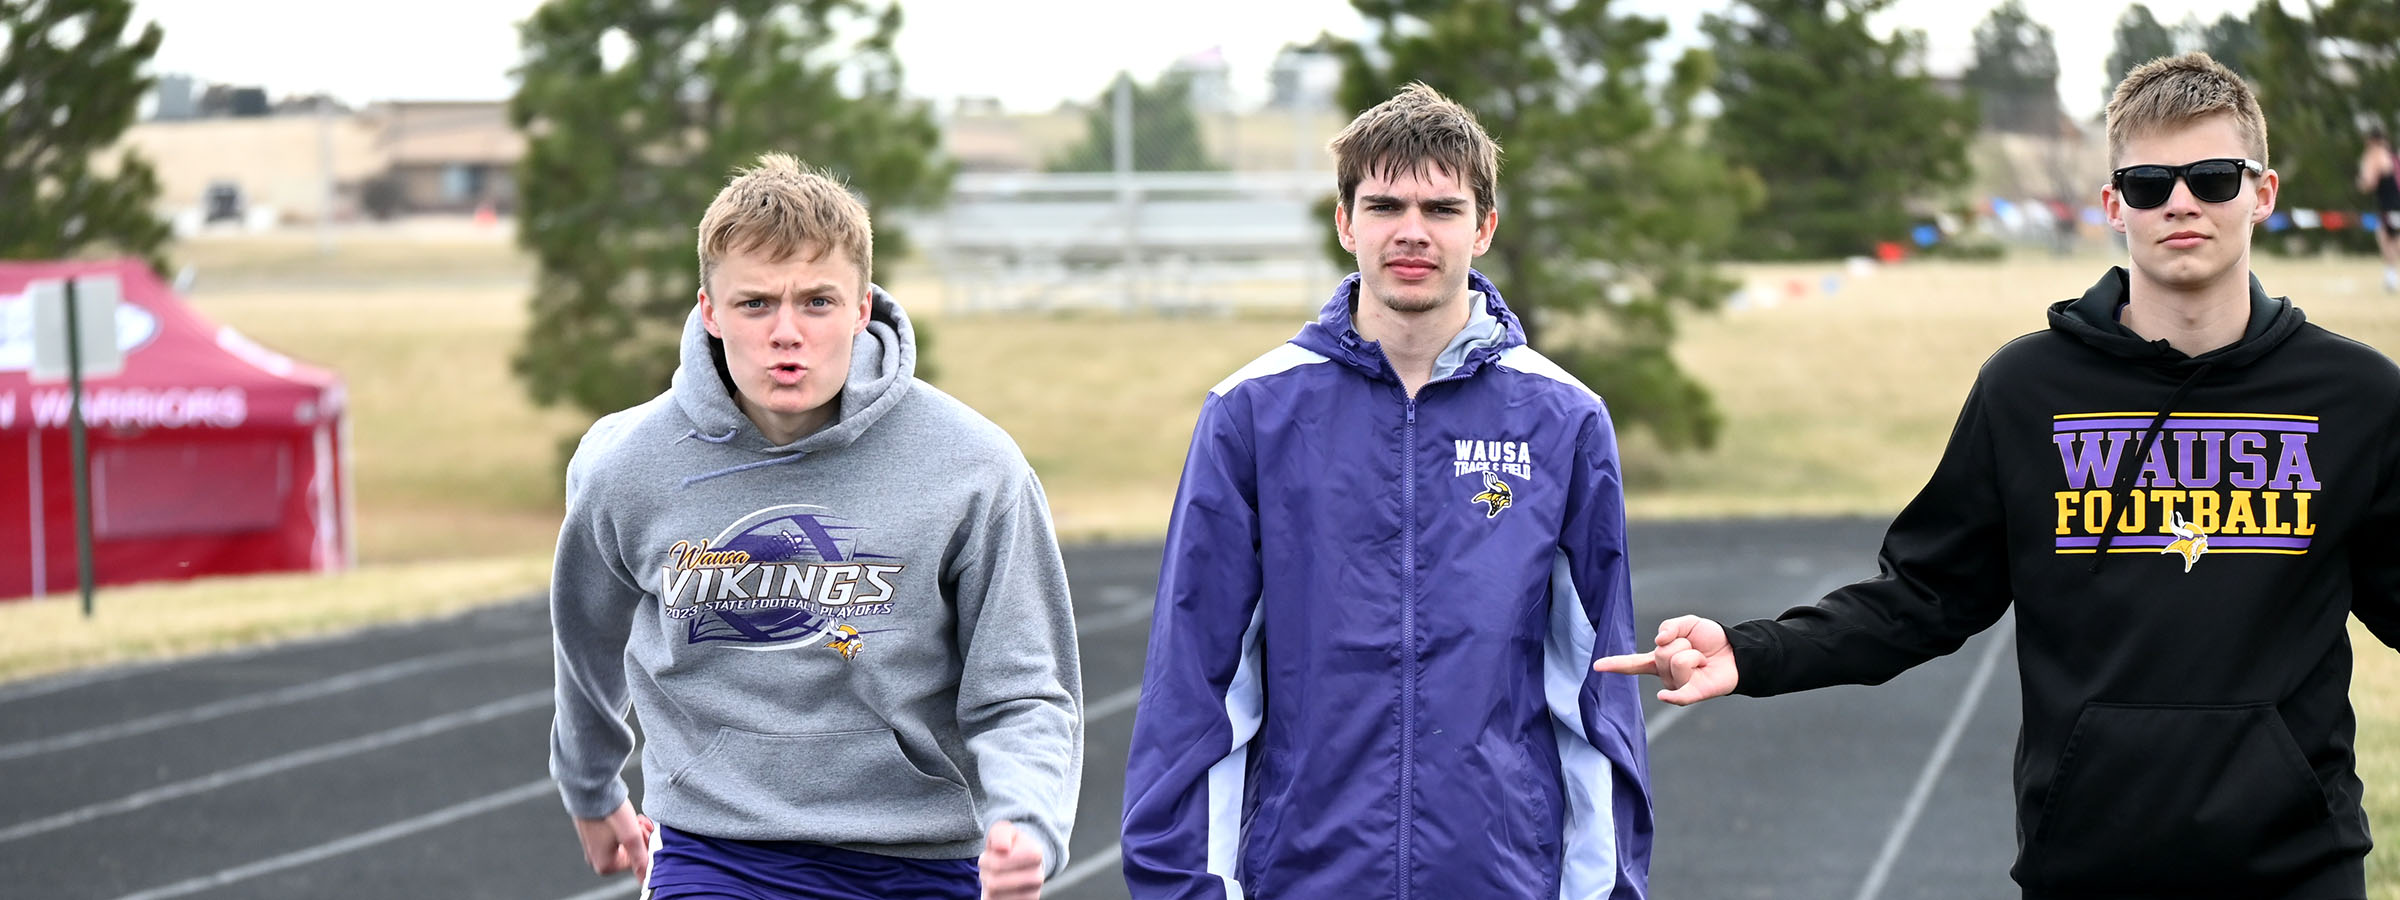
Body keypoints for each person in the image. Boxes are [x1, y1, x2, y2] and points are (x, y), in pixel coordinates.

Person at [1597, 52, 2400, 899]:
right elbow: (1922, 598)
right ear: (2111, 205)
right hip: (2088, 866)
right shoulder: (2029, 391)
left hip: (2298, 870)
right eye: (2149, 182)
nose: (2181, 202)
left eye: (2211, 176)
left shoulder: (2354, 398)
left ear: (2263, 193)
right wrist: (1755, 652)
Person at [1121, 83, 1653, 899]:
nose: (1412, 231)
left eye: (1442, 208)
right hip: (1303, 878)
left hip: (1499, 881)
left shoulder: (1564, 419)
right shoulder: (1252, 413)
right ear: (1345, 222)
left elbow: (1593, 685)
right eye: (1384, 204)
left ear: (1484, 227)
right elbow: (1195, 684)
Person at [547, 153, 1082, 900]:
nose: (786, 333)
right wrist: (590, 783)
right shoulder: (626, 466)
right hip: (720, 849)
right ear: (709, 309)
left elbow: (1024, 688)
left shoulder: (975, 467)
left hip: (923, 858)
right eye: (756, 304)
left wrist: (1028, 820)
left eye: (818, 303)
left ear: (863, 307)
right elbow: (586, 642)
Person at [2355, 127, 2399, 292]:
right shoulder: (2391, 153)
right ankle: (2391, 278)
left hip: (2389, 205)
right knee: (2393, 241)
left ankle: (2391, 279)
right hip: (2396, 203)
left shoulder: (2375, 154)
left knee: (2385, 240)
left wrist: (2360, 179)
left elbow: (2368, 183)